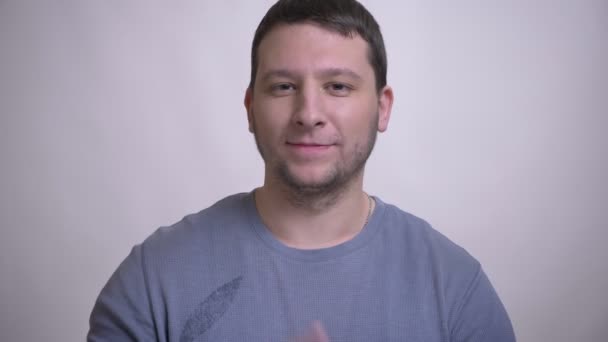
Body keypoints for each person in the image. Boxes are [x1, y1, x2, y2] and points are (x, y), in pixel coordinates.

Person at [88, 0, 516, 341]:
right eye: (283, 87)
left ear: (382, 108)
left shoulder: (456, 290)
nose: (309, 113)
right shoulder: (155, 278)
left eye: (338, 87)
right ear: (251, 108)